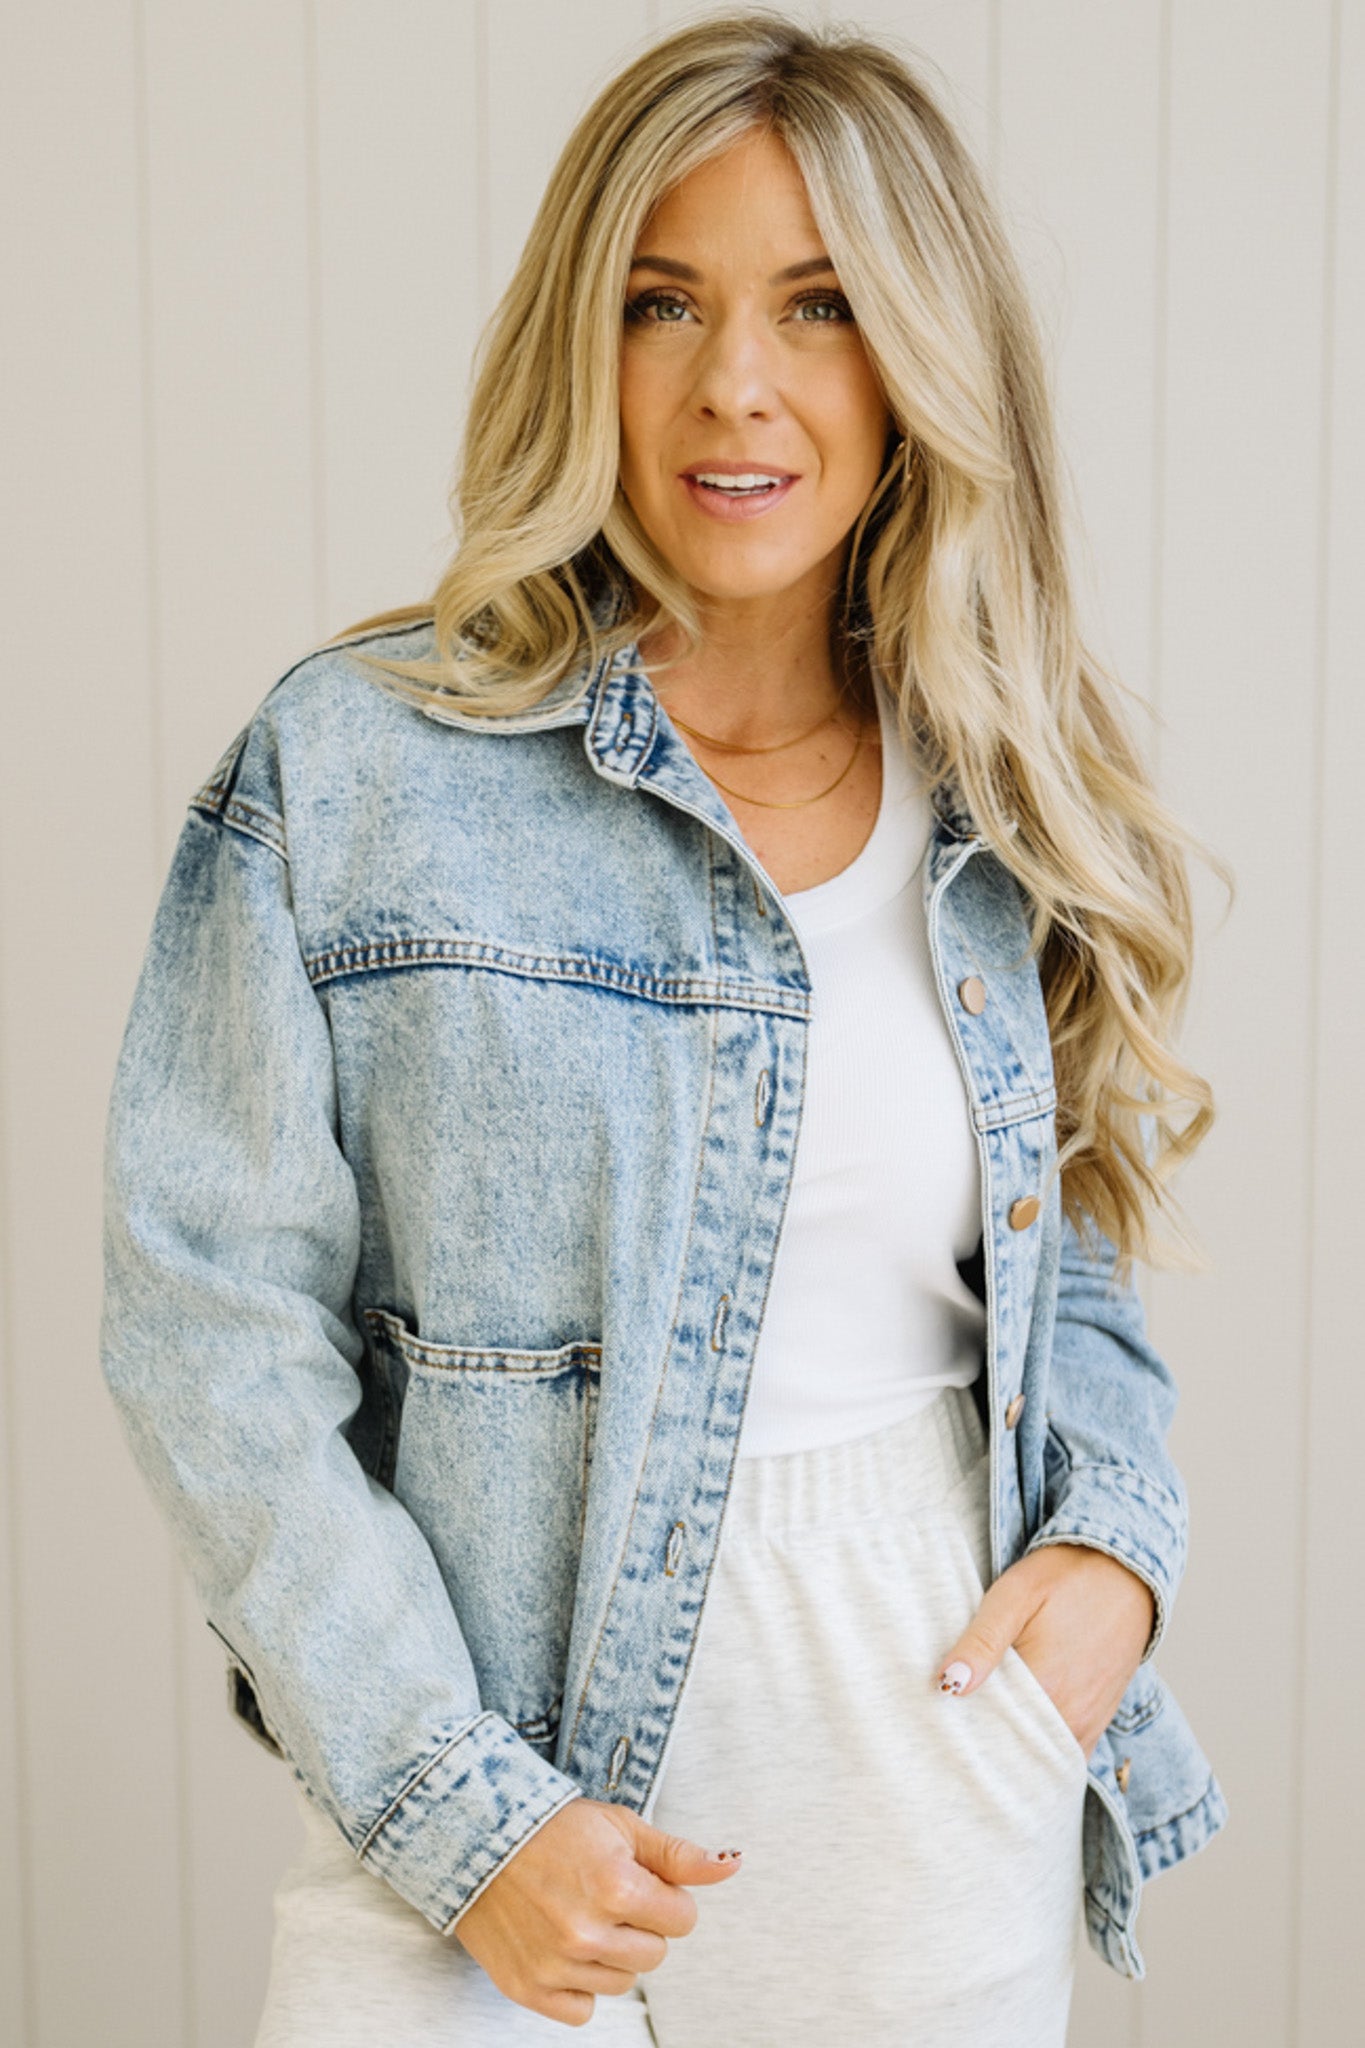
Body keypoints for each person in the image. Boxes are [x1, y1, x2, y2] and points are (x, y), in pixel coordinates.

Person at [99, 12, 1231, 2045]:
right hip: (477, 1758)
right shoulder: (355, 768)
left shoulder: (992, 785)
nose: (733, 384)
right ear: (582, 342)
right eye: (661, 302)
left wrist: (1113, 1558)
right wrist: (459, 1814)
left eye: (818, 304)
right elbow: (209, 1337)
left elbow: (1069, 1244)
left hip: (916, 1741)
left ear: (915, 357)